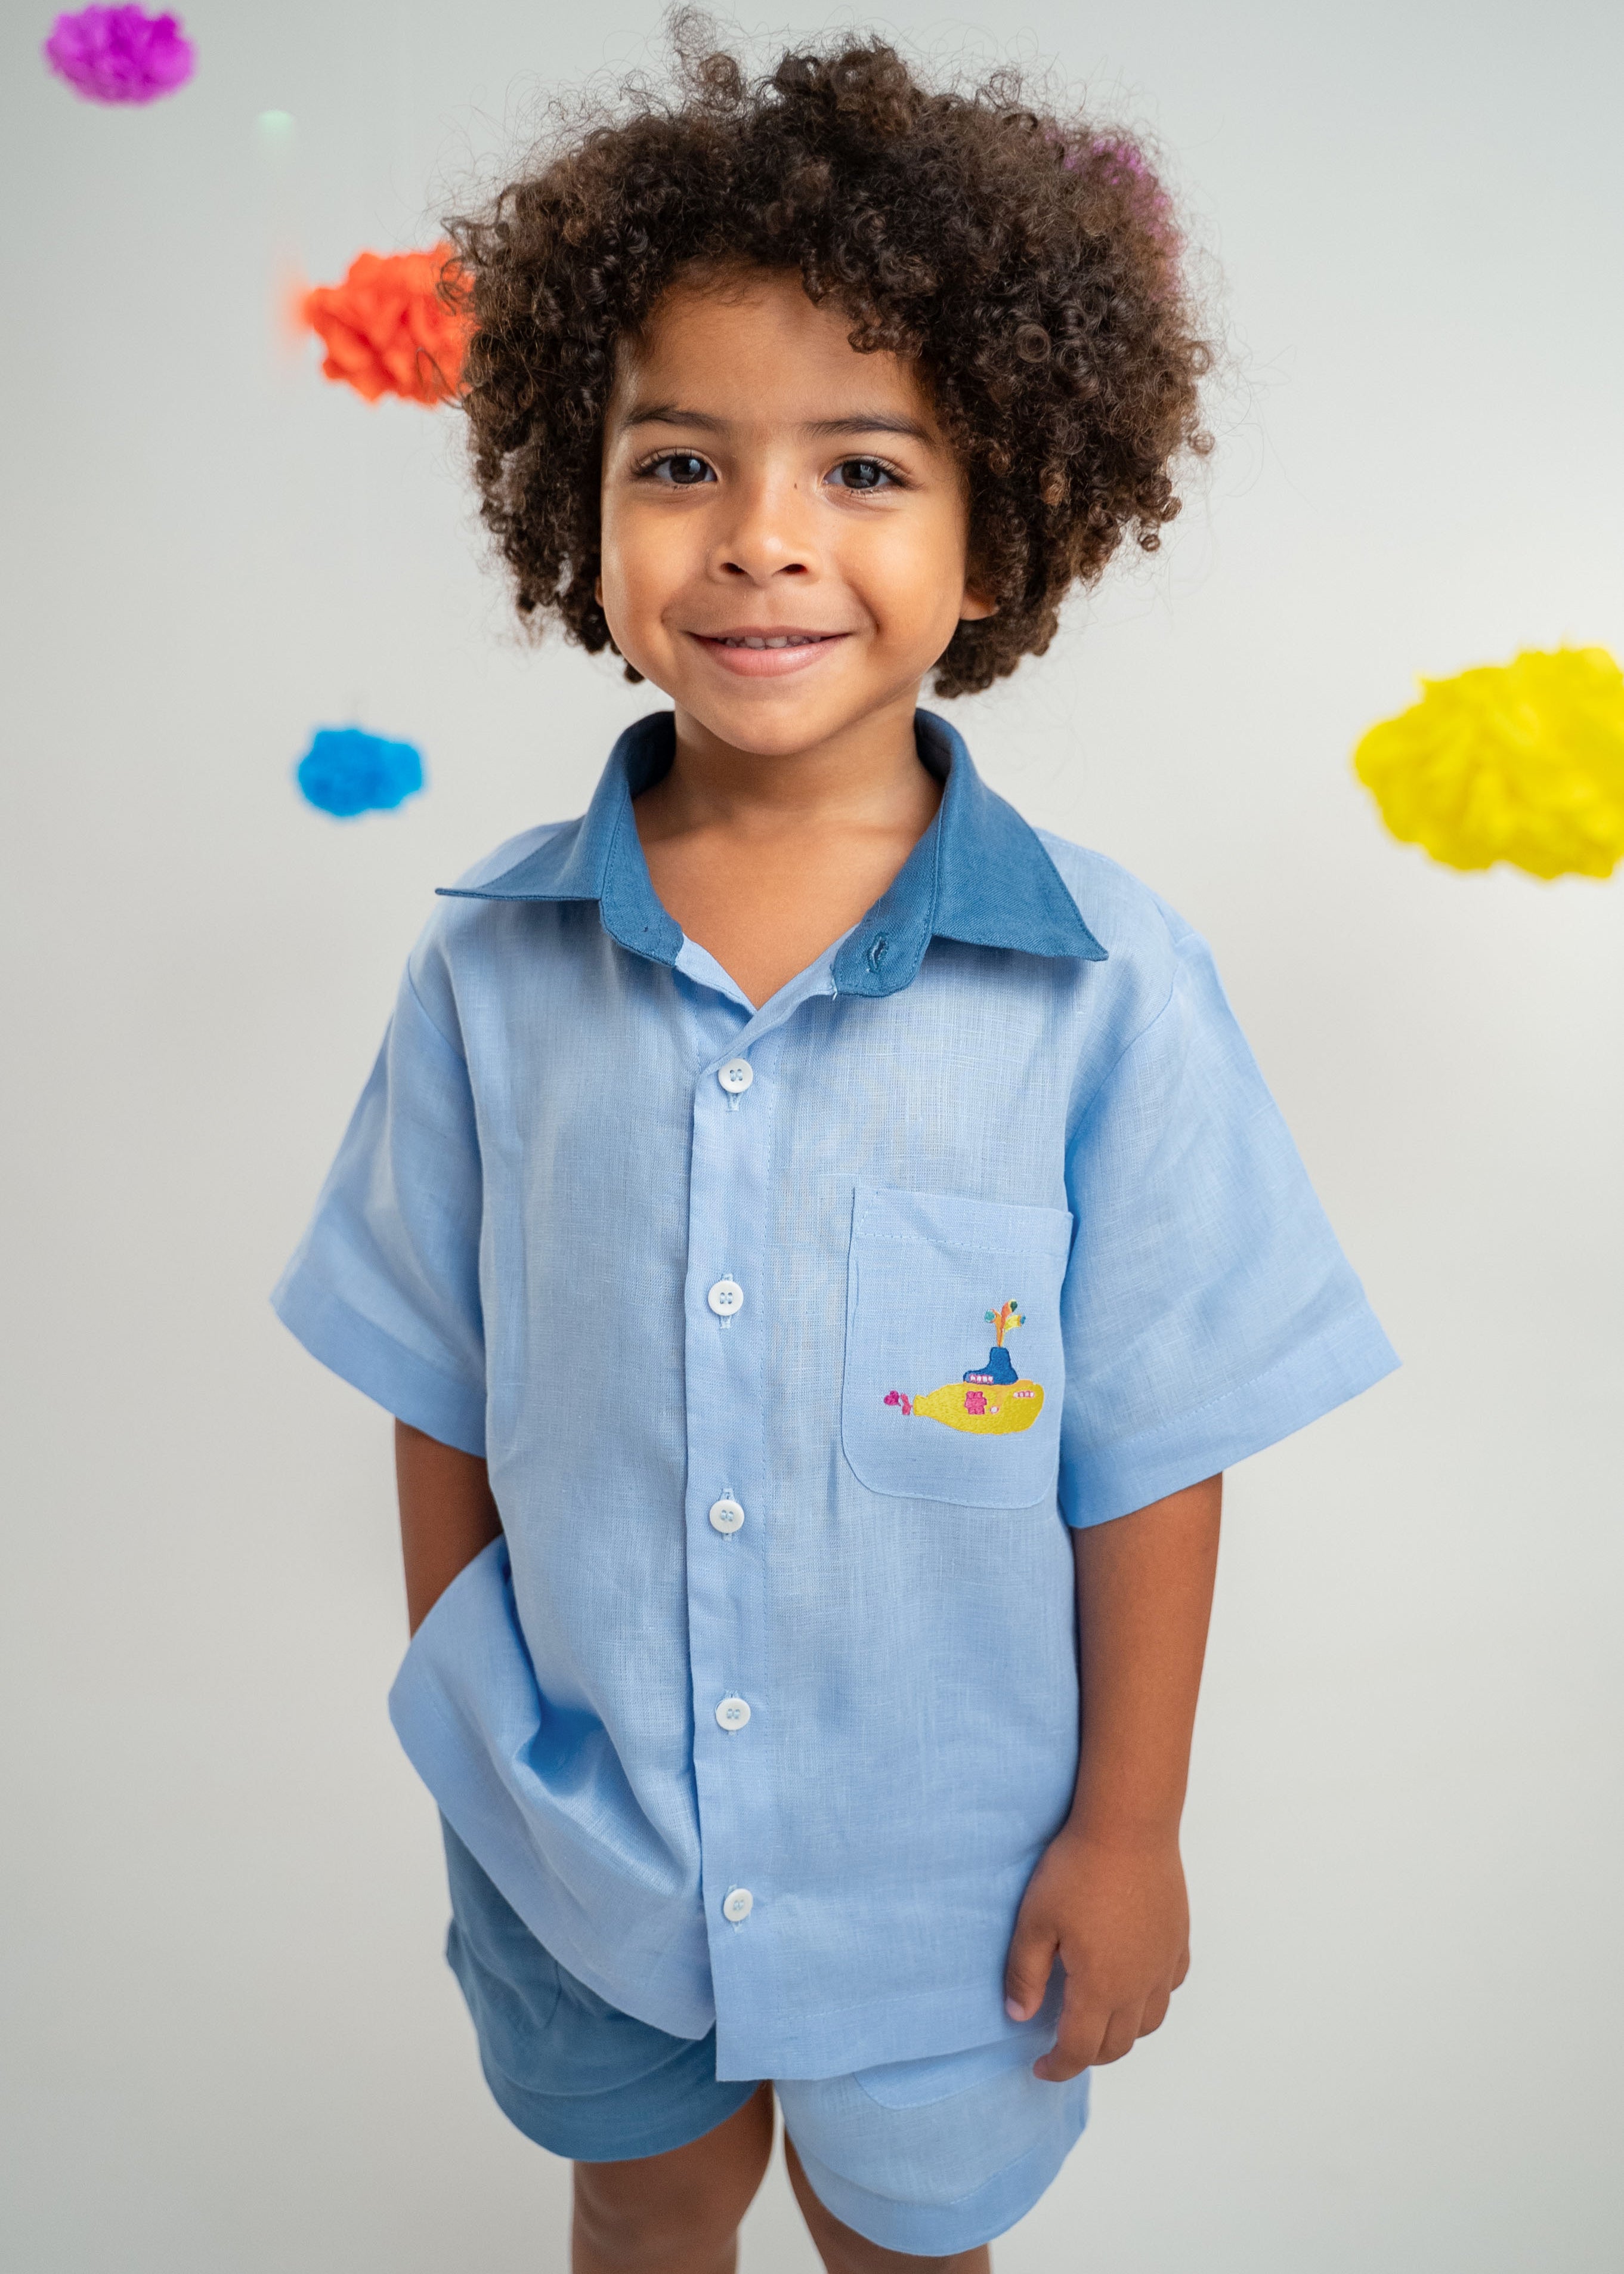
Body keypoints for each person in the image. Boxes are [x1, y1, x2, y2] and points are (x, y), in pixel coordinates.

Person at [274, 32, 1396, 2272]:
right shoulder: (492, 971)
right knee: (648, 2188)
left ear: (1000, 532)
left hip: (952, 1867)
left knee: (906, 2235)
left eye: (865, 468)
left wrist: (1129, 1827)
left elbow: (1151, 1437)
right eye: (680, 457)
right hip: (582, 1833)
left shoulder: (1107, 986)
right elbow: (437, 1376)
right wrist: (482, 1735)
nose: (762, 534)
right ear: (573, 506)